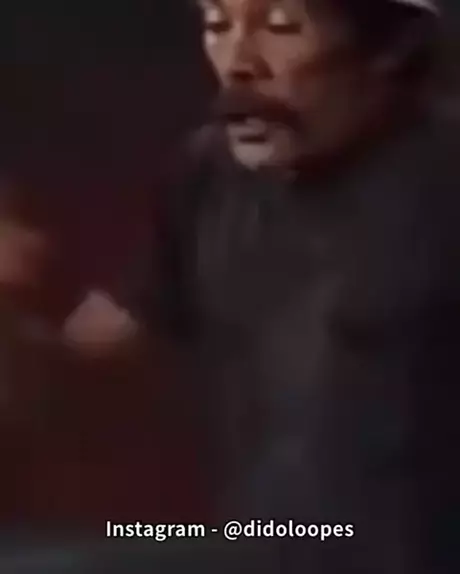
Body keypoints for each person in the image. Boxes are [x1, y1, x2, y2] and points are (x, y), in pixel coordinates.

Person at [1, 0, 459, 572]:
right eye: (217, 25)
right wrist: (11, 322)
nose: (238, 63)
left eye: (282, 26)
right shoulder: (208, 175)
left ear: (391, 48)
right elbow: (85, 370)